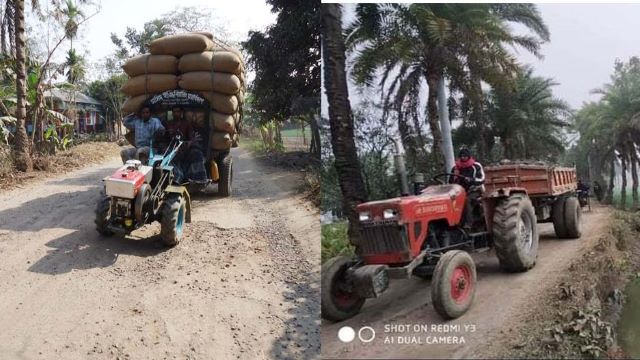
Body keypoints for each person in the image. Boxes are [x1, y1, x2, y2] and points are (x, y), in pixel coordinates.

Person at [164, 106, 208, 186]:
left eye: (178, 111)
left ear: (181, 113)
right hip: (171, 147)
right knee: (165, 157)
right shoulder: (168, 123)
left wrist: (188, 143)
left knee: (197, 154)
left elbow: (192, 138)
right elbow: (164, 137)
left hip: (184, 147)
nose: (176, 113)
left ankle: (197, 179)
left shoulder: (186, 124)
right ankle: (176, 178)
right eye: (174, 112)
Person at [450, 148, 485, 229]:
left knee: (466, 200)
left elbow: (482, 179)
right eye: (461, 156)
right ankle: (452, 223)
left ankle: (468, 224)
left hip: (474, 190)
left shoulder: (476, 166)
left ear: (469, 156)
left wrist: (471, 180)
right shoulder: (455, 168)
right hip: (459, 191)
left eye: (465, 156)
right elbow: (451, 181)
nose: (463, 158)